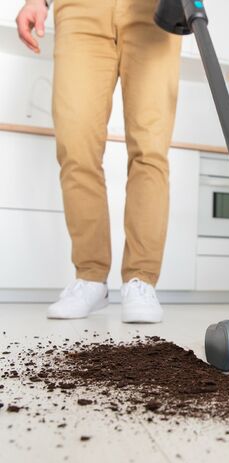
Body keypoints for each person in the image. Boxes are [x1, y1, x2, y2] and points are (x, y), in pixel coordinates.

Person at [16, 0, 182, 323]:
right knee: (76, 145)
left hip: (154, 10)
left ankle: (141, 279)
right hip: (80, 10)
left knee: (150, 148)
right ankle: (91, 278)